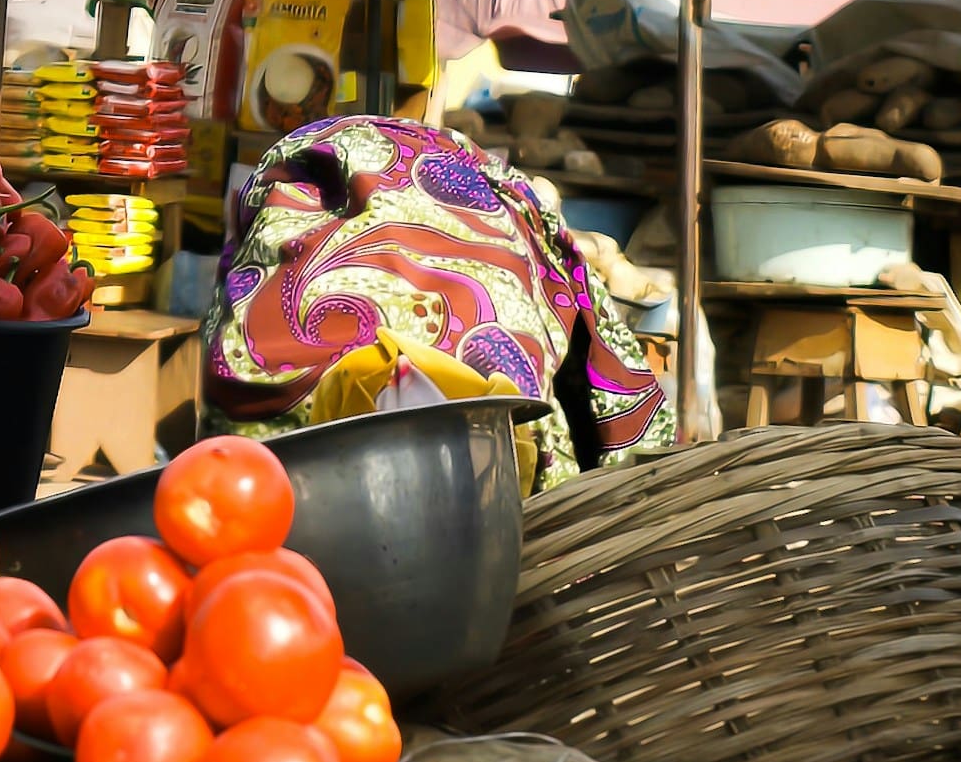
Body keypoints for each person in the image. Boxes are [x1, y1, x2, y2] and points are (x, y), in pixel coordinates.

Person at [202, 112, 672, 487]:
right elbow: (611, 402)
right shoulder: (511, 235)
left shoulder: (269, 285)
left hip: (278, 509)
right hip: (491, 491)